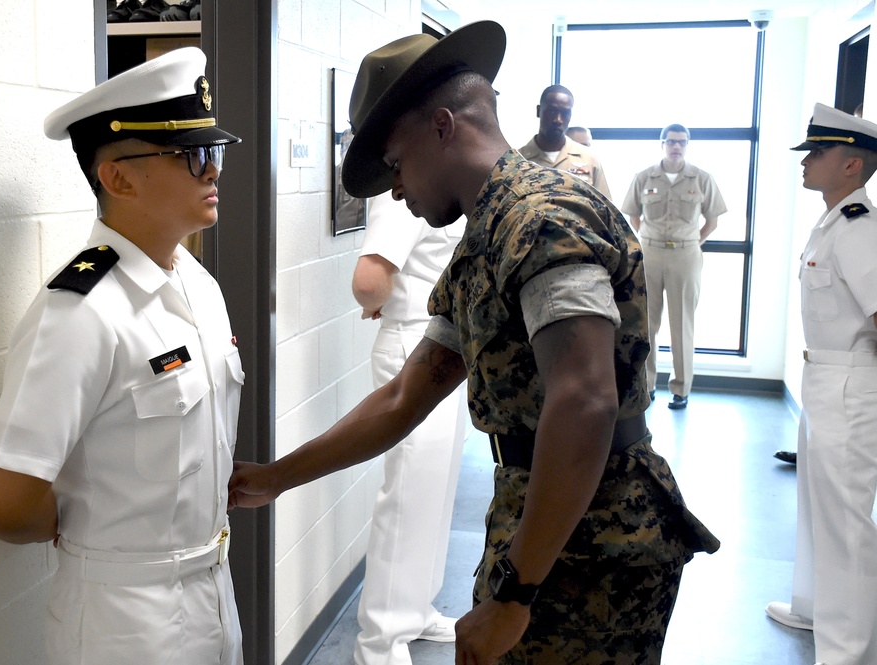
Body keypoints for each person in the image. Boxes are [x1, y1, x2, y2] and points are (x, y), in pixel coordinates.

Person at [230, 21, 719, 663]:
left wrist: (516, 596)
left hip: (593, 544)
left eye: (397, 165)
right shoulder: (488, 235)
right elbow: (407, 394)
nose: (397, 188)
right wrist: (276, 478)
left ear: (442, 127)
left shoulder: (540, 221)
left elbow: (587, 400)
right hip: (546, 525)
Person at [0, 47, 245, 665]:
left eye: (215, 153)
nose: (213, 173)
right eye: (193, 156)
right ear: (119, 178)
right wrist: (100, 538)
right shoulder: (79, 311)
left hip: (213, 590)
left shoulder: (197, 284)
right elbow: (5, 500)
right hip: (122, 619)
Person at [765, 103, 877, 665]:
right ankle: (812, 607)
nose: (807, 161)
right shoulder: (834, 219)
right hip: (824, 378)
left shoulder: (860, 229)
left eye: (819, 152)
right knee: (816, 505)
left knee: (845, 521)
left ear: (852, 164)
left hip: (851, 387)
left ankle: (850, 650)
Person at [351, 191, 468, 664]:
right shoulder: (400, 193)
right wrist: (380, 299)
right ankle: (380, 643)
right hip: (413, 348)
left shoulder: (435, 185)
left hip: (443, 346)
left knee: (433, 494)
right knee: (407, 497)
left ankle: (417, 608)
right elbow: (368, 281)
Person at [621, 124, 726, 410]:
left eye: (682, 142)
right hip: (651, 254)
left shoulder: (702, 178)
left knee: (682, 324)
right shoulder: (644, 177)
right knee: (647, 323)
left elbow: (712, 221)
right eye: (671, 141)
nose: (676, 146)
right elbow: (633, 215)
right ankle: (648, 385)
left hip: (685, 255)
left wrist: (692, 241)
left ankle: (681, 389)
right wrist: (651, 239)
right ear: (662, 144)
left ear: (687, 145)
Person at [518, 85, 611, 198]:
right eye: (552, 111)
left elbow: (604, 209)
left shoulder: (589, 159)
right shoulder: (519, 161)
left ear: (570, 116)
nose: (558, 119)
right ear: (538, 111)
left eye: (565, 113)